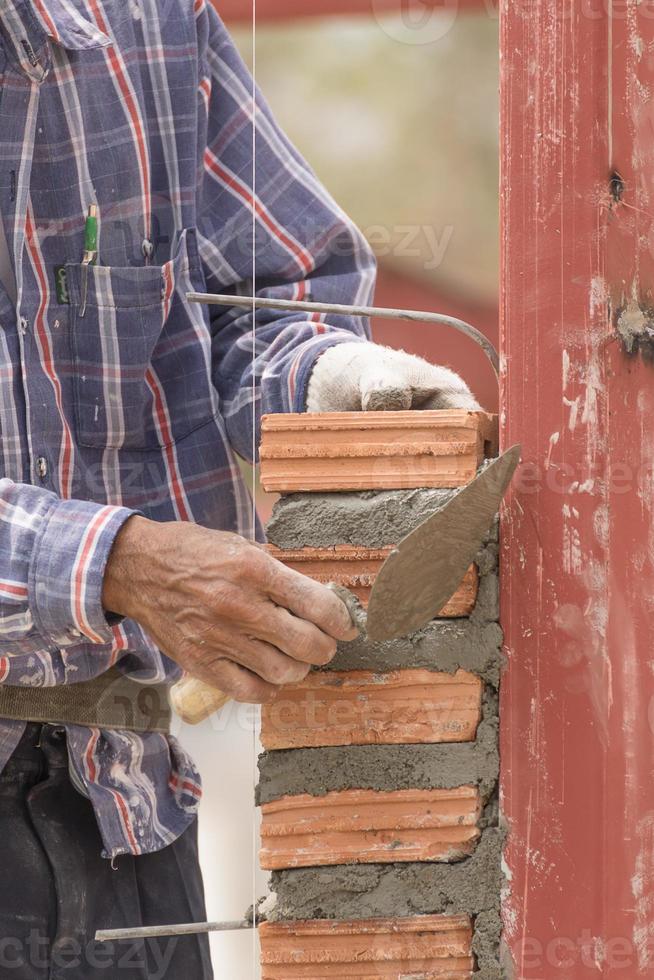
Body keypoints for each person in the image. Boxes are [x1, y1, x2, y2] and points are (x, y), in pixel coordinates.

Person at [0, 1, 481, 977]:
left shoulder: (148, 21)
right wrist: (124, 564)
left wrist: (332, 381)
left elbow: (258, 299)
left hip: (120, 799)